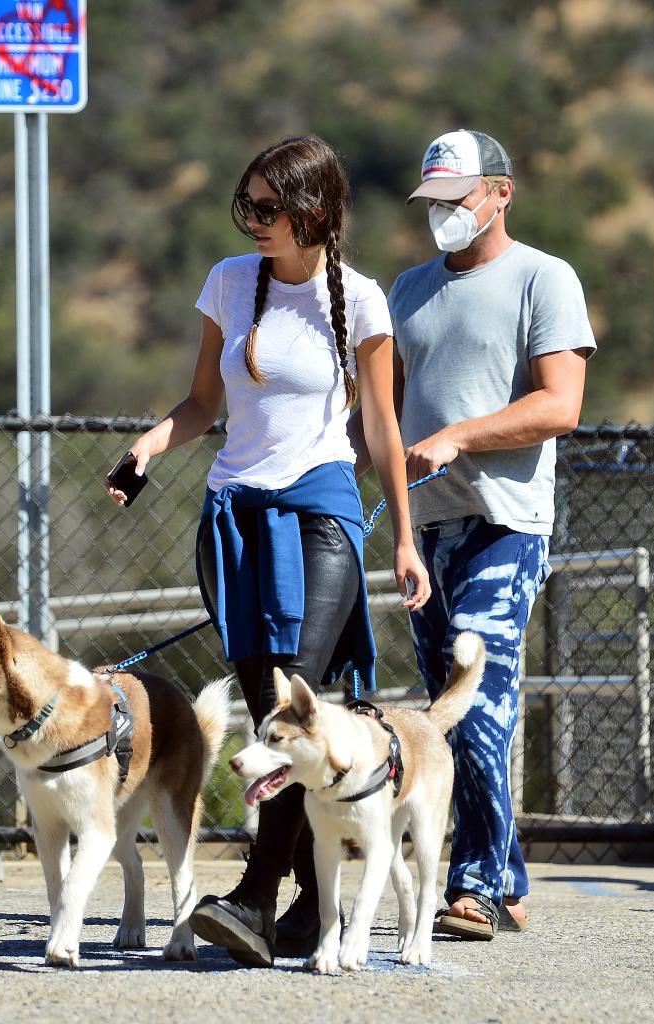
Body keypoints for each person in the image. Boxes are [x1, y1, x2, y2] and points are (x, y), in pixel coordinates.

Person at [106, 135, 430, 967]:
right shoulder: (228, 281)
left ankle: (253, 896)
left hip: (320, 513)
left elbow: (383, 428)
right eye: (244, 205)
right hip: (232, 519)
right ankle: (312, 904)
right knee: (266, 711)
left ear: (312, 211)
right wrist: (146, 447)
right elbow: (203, 401)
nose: (251, 220)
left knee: (297, 699)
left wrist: (399, 535)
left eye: (266, 207)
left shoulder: (360, 302)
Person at [355, 128, 596, 939]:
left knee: (479, 696)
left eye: (456, 200)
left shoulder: (543, 278)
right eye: (432, 204)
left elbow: (560, 405)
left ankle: (474, 881)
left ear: (499, 193)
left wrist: (460, 434)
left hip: (503, 524)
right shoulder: (406, 290)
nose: (442, 217)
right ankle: (509, 871)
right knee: (445, 711)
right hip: (421, 528)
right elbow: (379, 414)